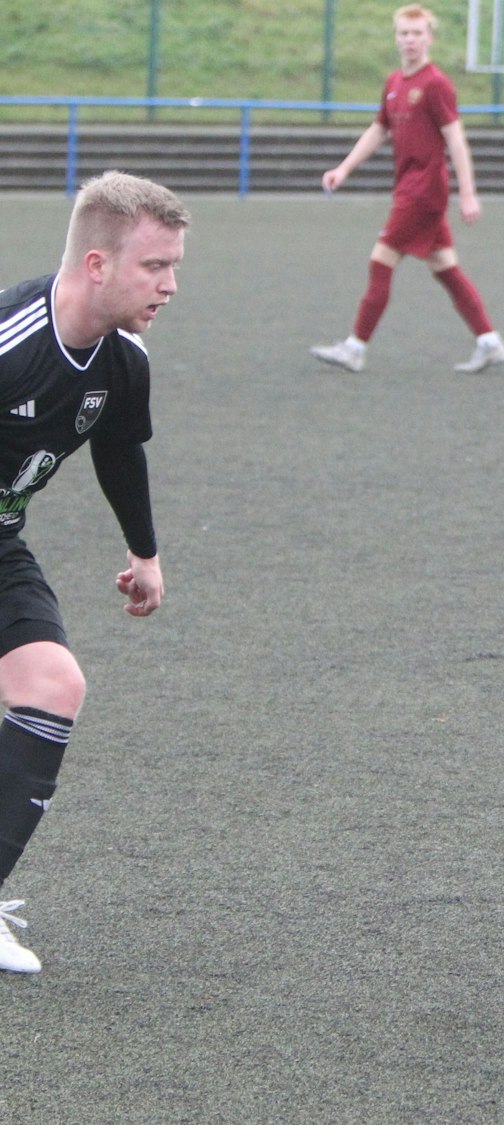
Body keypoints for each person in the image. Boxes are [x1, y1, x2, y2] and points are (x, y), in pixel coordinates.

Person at [0, 171, 185, 974]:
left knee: (53, 685)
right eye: (155, 266)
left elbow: (118, 449)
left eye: (174, 266)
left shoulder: (123, 361)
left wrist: (145, 555)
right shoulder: (11, 341)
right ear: (99, 264)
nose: (170, 286)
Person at [309, 3, 504, 375]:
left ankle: (355, 348)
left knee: (380, 260)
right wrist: (344, 168)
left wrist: (468, 192)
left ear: (429, 38)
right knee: (444, 266)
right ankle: (489, 341)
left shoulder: (436, 84)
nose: (410, 40)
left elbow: (456, 140)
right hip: (409, 188)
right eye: (404, 33)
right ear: (396, 37)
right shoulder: (394, 82)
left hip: (423, 192)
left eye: (417, 33)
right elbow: (378, 129)